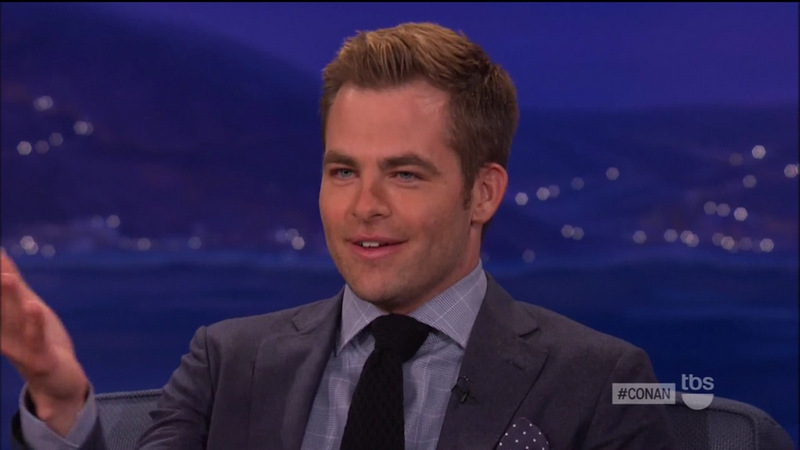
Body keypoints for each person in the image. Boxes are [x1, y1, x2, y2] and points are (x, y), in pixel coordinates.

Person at [2, 22, 676, 449]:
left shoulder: (598, 382)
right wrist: (60, 402)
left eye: (405, 174)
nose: (364, 206)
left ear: (484, 193)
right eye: (343, 171)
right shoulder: (227, 363)